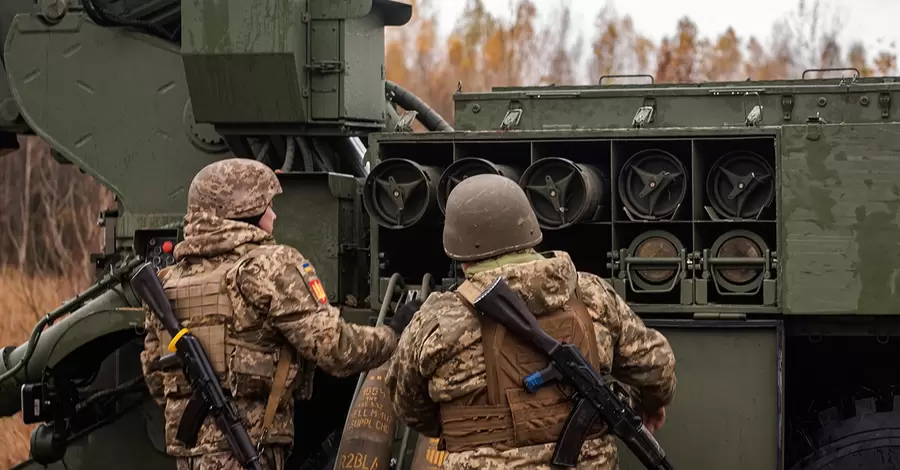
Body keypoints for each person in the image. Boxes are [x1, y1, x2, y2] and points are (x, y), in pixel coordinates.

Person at [384, 174, 677, 469]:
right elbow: (657, 365)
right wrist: (650, 403)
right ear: (531, 232)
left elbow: (409, 406)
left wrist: (471, 428)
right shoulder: (593, 294)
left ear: (458, 249)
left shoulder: (436, 320)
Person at [139, 158, 416, 470]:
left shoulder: (169, 282)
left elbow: (155, 375)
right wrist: (393, 332)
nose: (274, 214)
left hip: (189, 454)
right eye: (267, 205)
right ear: (245, 211)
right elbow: (336, 349)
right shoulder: (268, 267)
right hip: (245, 447)